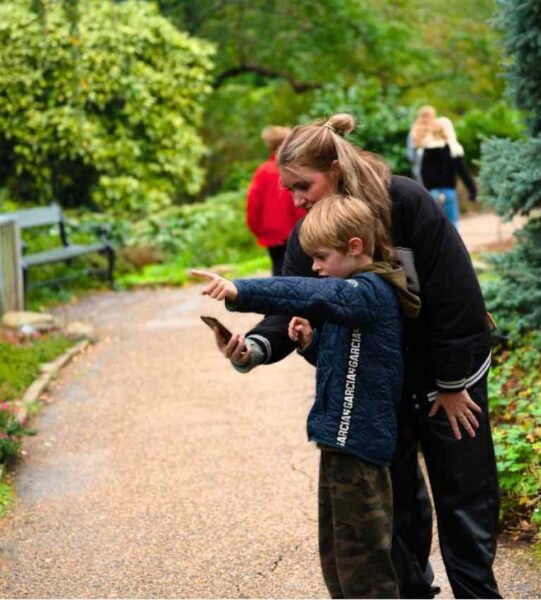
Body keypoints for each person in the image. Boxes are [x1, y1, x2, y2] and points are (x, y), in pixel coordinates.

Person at [210, 113, 501, 599]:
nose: (296, 199)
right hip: (380, 385)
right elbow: (296, 301)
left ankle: (478, 593)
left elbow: (457, 299)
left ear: (337, 170)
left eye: (303, 185)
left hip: (447, 373)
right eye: (290, 189)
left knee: (463, 493)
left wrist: (452, 385)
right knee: (397, 502)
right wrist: (255, 348)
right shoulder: (313, 229)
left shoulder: (404, 200)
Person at [193, 194, 422, 598]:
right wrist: (310, 343)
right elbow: (350, 364)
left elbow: (307, 293)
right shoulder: (349, 301)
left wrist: (238, 291)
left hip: (361, 448)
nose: (314, 268)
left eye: (319, 257)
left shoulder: (367, 292)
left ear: (355, 248)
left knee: (365, 568)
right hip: (338, 442)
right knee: (338, 559)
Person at [246, 125, 305, 275]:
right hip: (301, 230)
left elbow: (254, 204)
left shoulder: (263, 171)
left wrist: (258, 229)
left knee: (279, 270)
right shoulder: (299, 168)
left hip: (273, 234)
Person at [420, 117, 478, 229]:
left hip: (433, 193)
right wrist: (472, 190)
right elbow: (463, 172)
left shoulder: (427, 149)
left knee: (436, 226)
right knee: (453, 225)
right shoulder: (453, 148)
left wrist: (427, 190)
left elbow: (423, 173)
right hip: (448, 191)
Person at [406, 105, 436, 183]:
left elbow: (410, 156)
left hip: (418, 168)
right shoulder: (436, 130)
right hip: (434, 170)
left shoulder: (413, 131)